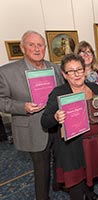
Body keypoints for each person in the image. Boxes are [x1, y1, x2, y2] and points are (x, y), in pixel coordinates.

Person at [0, 30, 65, 200]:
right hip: (33, 128)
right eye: (31, 45)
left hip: (57, 124)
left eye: (40, 45)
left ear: (45, 48)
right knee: (42, 168)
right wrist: (23, 107)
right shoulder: (7, 72)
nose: (37, 49)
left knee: (59, 159)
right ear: (22, 48)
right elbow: (1, 101)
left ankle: (58, 186)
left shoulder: (55, 68)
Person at [41, 54, 98, 200]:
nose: (76, 74)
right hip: (72, 147)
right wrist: (56, 117)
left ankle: (90, 195)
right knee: (76, 185)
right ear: (64, 75)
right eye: (71, 71)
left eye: (79, 69)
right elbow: (45, 121)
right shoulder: (59, 93)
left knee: (90, 176)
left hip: (95, 142)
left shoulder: (94, 88)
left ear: (85, 70)